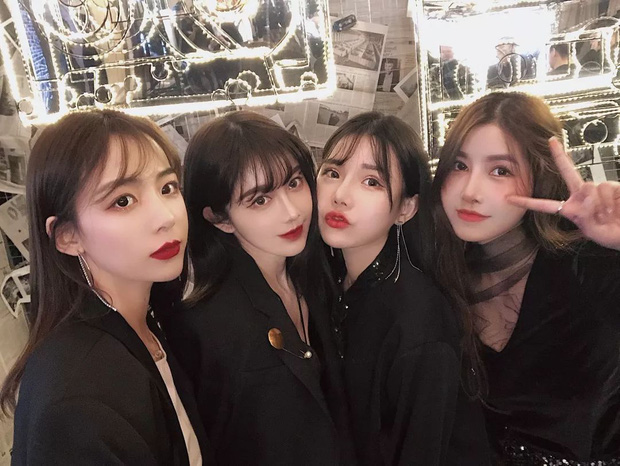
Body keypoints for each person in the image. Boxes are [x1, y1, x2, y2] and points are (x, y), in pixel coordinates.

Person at [0, 110, 210, 464]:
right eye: (123, 201)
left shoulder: (146, 323)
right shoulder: (76, 397)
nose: (166, 217)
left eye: (167, 188)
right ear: (68, 236)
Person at [431, 91, 620, 464]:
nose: (470, 191)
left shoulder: (591, 266)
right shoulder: (439, 278)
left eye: (500, 171)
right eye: (459, 165)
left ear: (540, 176)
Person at [161, 111, 353, 466]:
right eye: (260, 200)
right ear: (219, 218)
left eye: (294, 183)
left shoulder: (313, 274)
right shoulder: (212, 325)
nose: (292, 212)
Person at [316, 111, 490, 465]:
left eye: (371, 182)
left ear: (406, 208)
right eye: (332, 173)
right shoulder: (329, 282)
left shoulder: (418, 321)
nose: (341, 195)